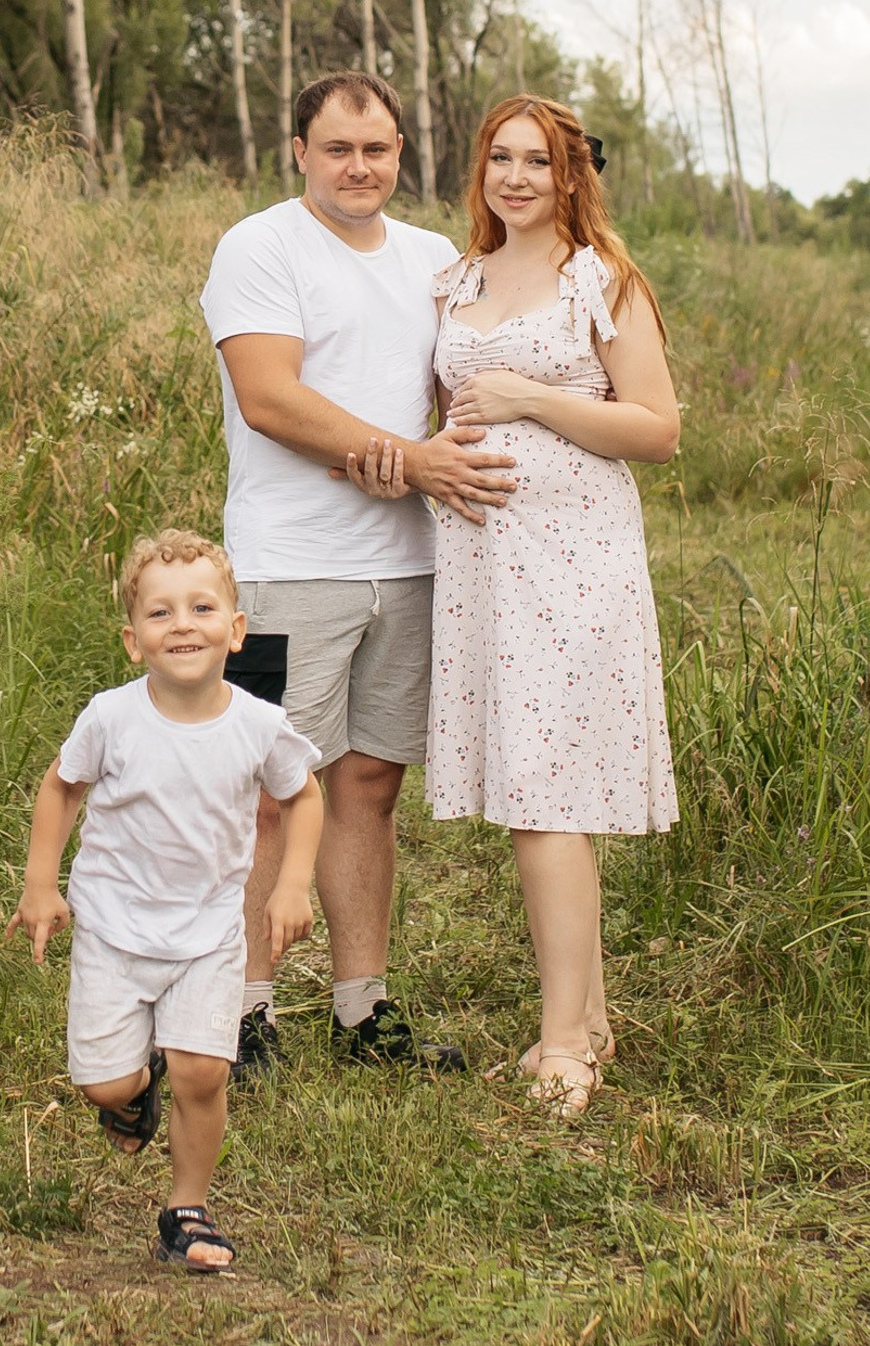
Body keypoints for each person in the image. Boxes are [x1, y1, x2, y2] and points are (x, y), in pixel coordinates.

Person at [348, 93, 681, 1117]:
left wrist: (532, 397)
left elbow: (659, 428)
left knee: (546, 797)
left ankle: (562, 1048)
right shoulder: (458, 279)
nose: (517, 177)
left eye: (538, 160)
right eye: (501, 158)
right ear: (479, 170)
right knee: (534, 788)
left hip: (574, 557)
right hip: (484, 566)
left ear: (570, 173)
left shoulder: (602, 280)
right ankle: (590, 1019)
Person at [199, 69, 512, 1076]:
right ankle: (242, 1011)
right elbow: (269, 399)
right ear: (299, 151)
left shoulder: (430, 259)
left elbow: (474, 378)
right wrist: (407, 457)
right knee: (266, 792)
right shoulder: (260, 245)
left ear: (400, 154)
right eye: (337, 148)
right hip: (290, 565)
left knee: (368, 785)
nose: (358, 167)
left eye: (377, 149)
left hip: (408, 563)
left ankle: (360, 1010)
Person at [11, 529, 323, 1273]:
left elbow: (303, 795)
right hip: (115, 930)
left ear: (236, 631)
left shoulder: (257, 724)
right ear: (133, 640)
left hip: (210, 931)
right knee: (104, 1081)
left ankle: (187, 1208)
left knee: (203, 1073)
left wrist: (291, 883)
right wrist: (40, 882)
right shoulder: (112, 718)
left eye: (202, 607)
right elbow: (61, 787)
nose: (182, 624)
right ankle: (130, 1093)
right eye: (160, 613)